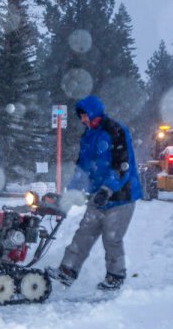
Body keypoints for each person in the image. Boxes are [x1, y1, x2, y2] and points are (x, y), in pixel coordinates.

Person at [47, 94, 142, 291]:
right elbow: (82, 169)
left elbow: (122, 166)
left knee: (112, 238)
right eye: (80, 116)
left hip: (121, 197)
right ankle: (67, 271)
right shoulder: (88, 136)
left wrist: (107, 189)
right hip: (98, 196)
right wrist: (71, 192)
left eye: (84, 115)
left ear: (93, 112)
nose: (82, 120)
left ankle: (115, 277)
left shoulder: (115, 131)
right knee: (84, 233)